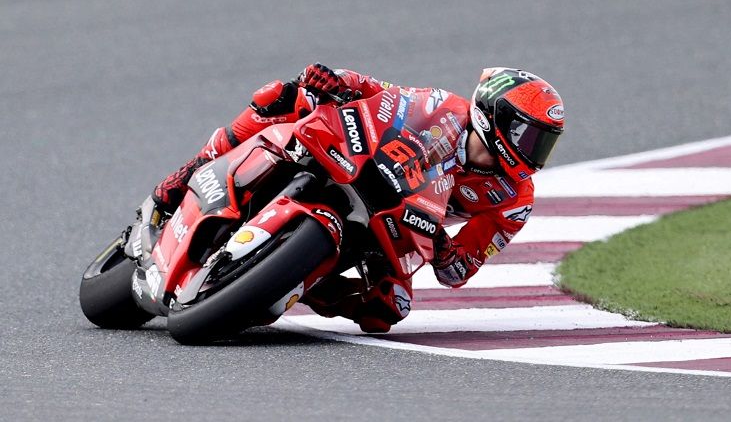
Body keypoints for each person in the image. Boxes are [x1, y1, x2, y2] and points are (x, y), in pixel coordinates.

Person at [141, 63, 564, 333]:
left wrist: (442, 247)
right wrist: (337, 82)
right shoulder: (442, 107)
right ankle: (185, 176)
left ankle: (295, 283)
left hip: (400, 227)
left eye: (544, 142)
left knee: (389, 308)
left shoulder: (514, 200)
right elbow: (380, 95)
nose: (534, 151)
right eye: (529, 136)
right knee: (283, 97)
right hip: (360, 164)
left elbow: (458, 272)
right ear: (496, 118)